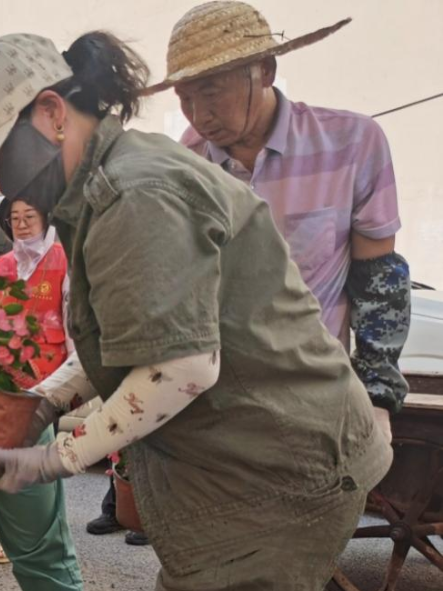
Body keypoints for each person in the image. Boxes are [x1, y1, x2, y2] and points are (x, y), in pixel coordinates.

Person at [0, 32, 391, 591]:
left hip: (278, 474)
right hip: (263, 466)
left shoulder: (131, 193)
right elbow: (133, 336)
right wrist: (47, 399)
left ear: (50, 113)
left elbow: (180, 367)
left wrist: (52, 458)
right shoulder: (107, 182)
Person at [163, 0, 410, 440]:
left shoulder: (352, 143)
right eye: (185, 98)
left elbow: (378, 279)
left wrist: (376, 397)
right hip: (217, 404)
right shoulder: (186, 161)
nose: (200, 116)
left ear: (266, 72)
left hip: (315, 399)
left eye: (212, 91)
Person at [0, 195, 73, 565]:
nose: (21, 224)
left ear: (45, 217)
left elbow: (71, 317)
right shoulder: (5, 262)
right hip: (9, 372)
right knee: (30, 453)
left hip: (47, 374)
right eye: (14, 218)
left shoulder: (63, 256)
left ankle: (39, 537)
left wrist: (75, 376)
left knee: (39, 453)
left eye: (29, 216)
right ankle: (31, 533)